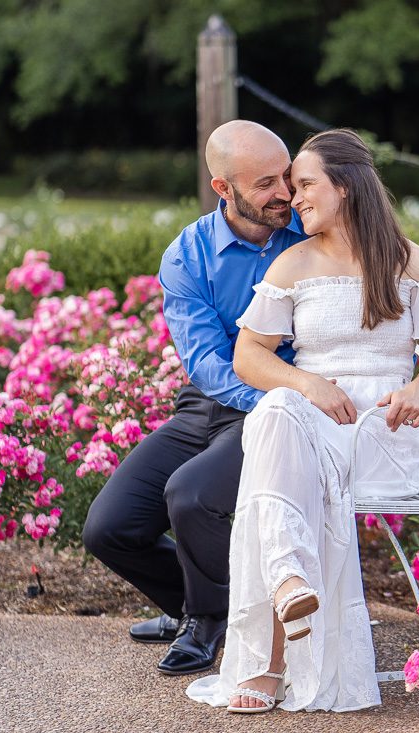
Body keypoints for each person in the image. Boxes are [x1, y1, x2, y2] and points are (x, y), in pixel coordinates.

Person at [184, 128, 419, 713]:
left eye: (305, 183)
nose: (295, 196)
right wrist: (308, 382)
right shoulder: (293, 264)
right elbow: (248, 355)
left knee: (276, 447)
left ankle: (269, 661)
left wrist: (416, 389)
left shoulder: (410, 262)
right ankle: (288, 582)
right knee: (280, 409)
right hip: (312, 422)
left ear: (345, 187)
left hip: (383, 433)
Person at [81, 120, 309, 676]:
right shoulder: (187, 254)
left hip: (285, 403)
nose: (284, 193)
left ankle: (206, 624)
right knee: (109, 530)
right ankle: (201, 605)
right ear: (223, 189)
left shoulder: (311, 234)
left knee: (190, 496)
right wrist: (259, 402)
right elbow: (204, 361)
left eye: (286, 177)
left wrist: (278, 408)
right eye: (264, 184)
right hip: (210, 403)